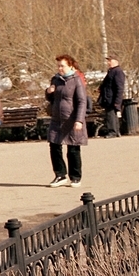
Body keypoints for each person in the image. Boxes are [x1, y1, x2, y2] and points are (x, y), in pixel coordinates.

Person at [45, 55, 88, 188]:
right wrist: (48, 92)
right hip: (57, 119)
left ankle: (75, 177)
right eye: (58, 66)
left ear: (70, 66)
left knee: (73, 148)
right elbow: (50, 99)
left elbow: (82, 101)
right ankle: (60, 175)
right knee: (54, 146)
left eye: (62, 66)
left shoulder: (76, 80)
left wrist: (79, 120)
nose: (59, 68)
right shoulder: (55, 79)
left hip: (71, 118)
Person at [96, 56, 127, 137]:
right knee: (111, 115)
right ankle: (116, 131)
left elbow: (119, 88)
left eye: (110, 61)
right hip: (108, 97)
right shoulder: (111, 71)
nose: (108, 63)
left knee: (111, 115)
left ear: (116, 61)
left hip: (112, 98)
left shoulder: (118, 72)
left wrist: (117, 101)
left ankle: (112, 131)